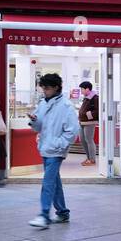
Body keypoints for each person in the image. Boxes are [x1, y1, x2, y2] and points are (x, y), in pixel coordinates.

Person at [28, 73, 79, 228]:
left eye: (47, 88)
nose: (45, 91)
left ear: (56, 87)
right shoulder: (43, 103)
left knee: (48, 182)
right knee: (54, 181)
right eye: (43, 88)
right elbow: (39, 126)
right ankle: (62, 212)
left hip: (55, 150)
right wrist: (34, 121)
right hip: (45, 147)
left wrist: (60, 144)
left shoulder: (66, 106)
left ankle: (44, 214)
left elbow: (73, 131)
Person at [77, 80, 99, 167]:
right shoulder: (86, 98)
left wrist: (87, 115)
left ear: (87, 89)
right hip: (82, 122)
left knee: (89, 140)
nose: (81, 91)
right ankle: (89, 158)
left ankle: (92, 159)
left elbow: (97, 111)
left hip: (89, 122)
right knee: (82, 140)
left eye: (82, 89)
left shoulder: (95, 98)